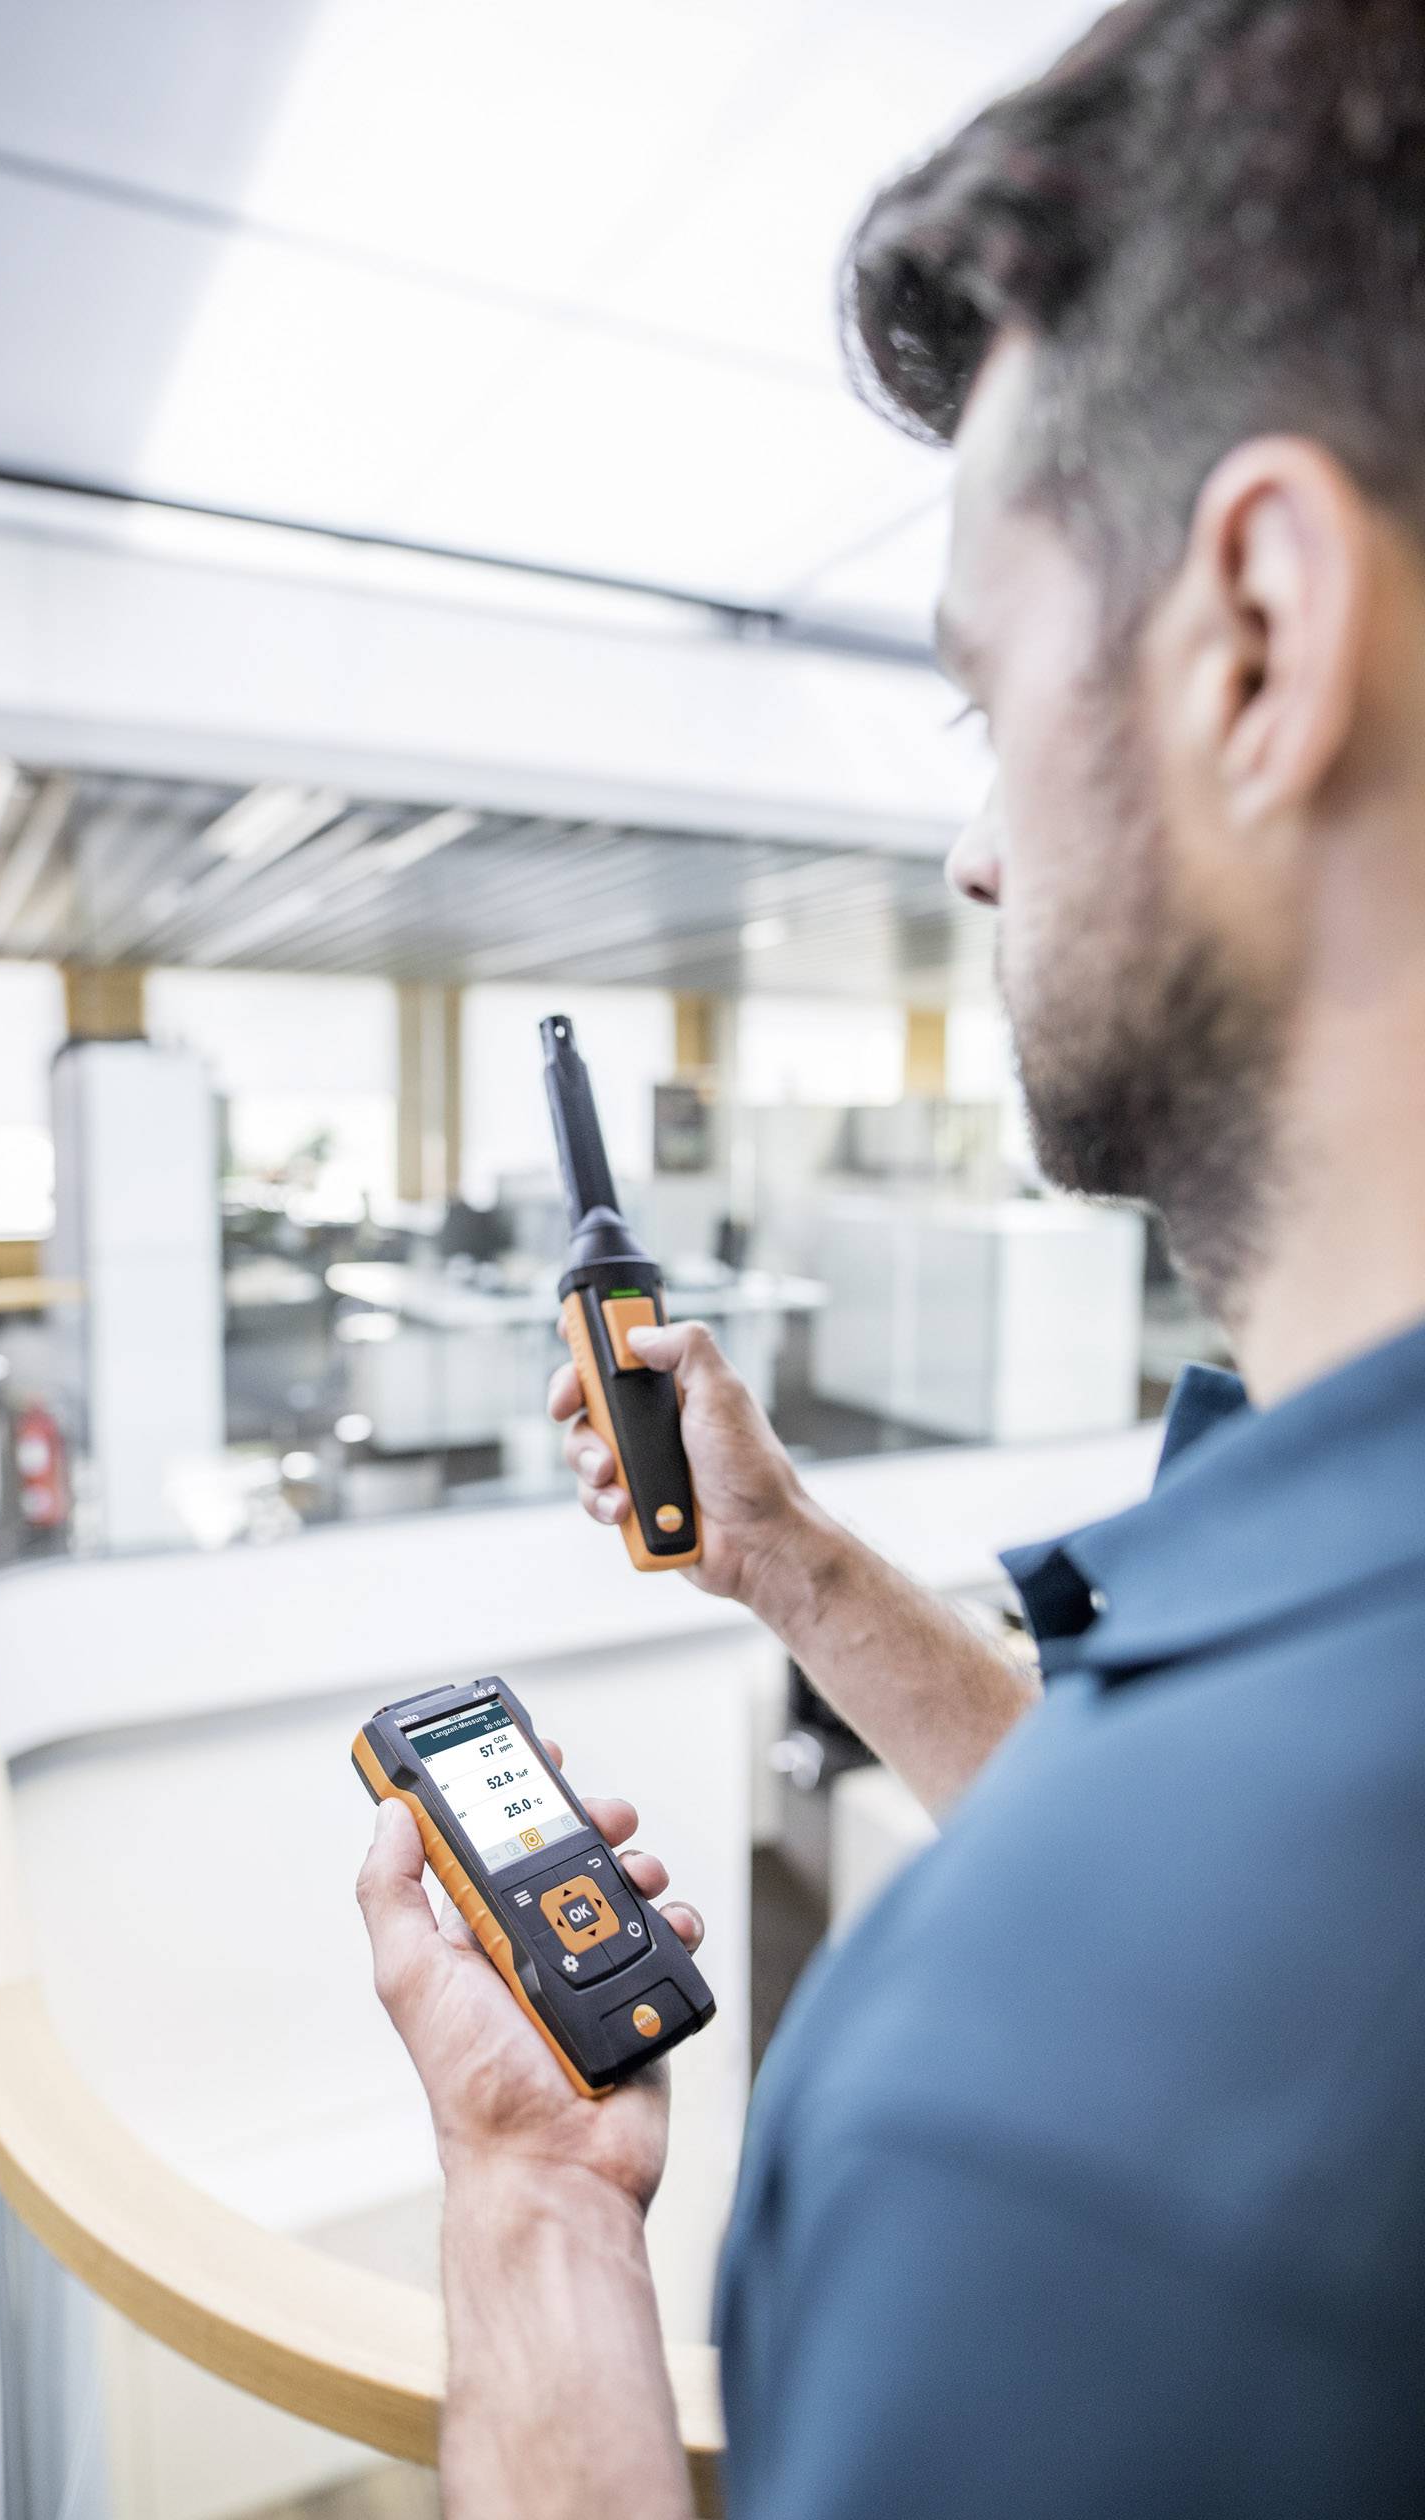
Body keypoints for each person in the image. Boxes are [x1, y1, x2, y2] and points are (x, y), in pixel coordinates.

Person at [357, 0, 1425, 2507]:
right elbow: (1184, 1851)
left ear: (1258, 637)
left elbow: (1178, 1955)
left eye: (986, 695)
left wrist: (533, 2214)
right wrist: (797, 1565)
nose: (974, 852)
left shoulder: (1028, 2147)